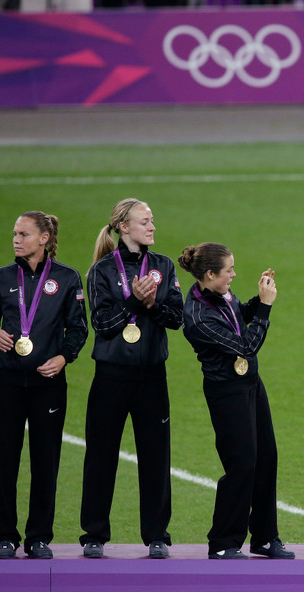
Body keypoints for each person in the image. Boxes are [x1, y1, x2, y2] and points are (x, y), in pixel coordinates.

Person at [79, 199, 183, 560]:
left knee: (156, 456)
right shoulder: (102, 271)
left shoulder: (164, 266)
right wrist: (134, 304)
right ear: (123, 227)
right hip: (111, 376)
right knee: (101, 456)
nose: (152, 226)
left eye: (152, 220)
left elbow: (176, 319)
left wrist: (152, 304)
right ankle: (94, 534)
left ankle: (157, 535)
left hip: (153, 376)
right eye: (144, 221)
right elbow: (103, 326)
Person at [179, 242, 294, 560]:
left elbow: (239, 315)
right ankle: (223, 542)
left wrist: (259, 297)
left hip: (251, 385)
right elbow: (247, 344)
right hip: (227, 393)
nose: (233, 274)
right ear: (210, 274)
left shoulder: (219, 296)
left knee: (266, 457)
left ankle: (265, 538)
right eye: (228, 270)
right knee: (241, 464)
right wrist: (267, 308)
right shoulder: (199, 317)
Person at [0, 211, 88, 560]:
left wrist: (64, 358)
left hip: (47, 382)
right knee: (4, 458)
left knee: (45, 459)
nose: (16, 240)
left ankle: (38, 537)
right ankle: (4, 534)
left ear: (44, 238)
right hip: (4, 380)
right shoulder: (1, 277)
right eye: (14, 234)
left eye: (23, 234)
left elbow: (78, 328)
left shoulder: (66, 278)